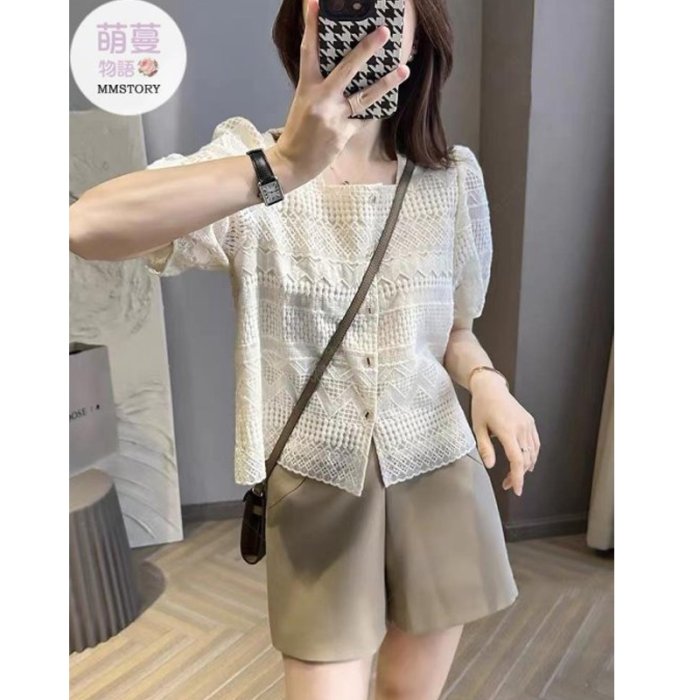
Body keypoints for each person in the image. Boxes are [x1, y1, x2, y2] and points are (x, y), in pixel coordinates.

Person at [69, 0, 541, 697]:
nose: (367, 21)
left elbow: (454, 332)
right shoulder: (252, 165)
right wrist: (283, 166)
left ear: (420, 32)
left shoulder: (452, 178)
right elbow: (85, 226)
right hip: (318, 483)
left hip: (439, 466)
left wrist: (490, 384)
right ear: (306, 24)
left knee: (412, 693)